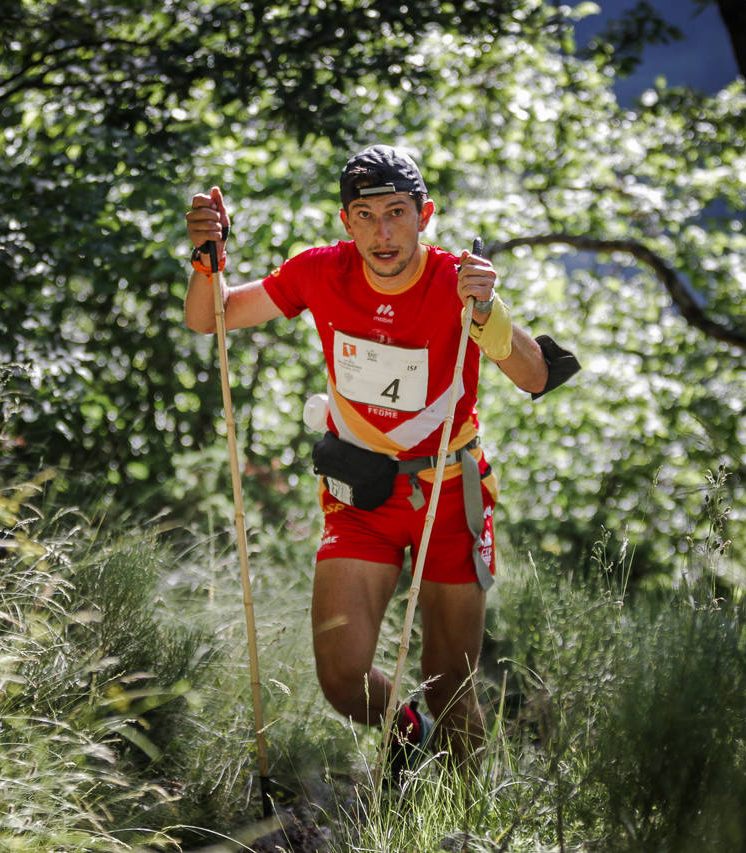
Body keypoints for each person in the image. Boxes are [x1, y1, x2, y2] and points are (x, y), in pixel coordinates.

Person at [183, 144, 576, 783]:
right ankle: (404, 729)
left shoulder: (457, 279)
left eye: (397, 213)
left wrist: (486, 311)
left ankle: (463, 819)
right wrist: (207, 260)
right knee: (341, 677)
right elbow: (214, 319)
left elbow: (534, 377)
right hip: (360, 496)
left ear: (425, 215)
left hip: (449, 496)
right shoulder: (319, 271)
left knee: (450, 685)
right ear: (346, 223)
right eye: (365, 215)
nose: (383, 232)